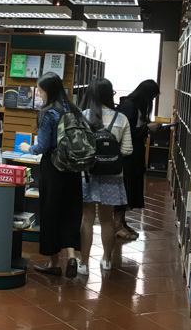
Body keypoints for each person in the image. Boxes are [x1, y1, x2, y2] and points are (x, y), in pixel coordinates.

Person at [20, 72, 84, 278]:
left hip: (53, 168)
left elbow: (42, 146)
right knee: (71, 211)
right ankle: (72, 256)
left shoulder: (47, 113)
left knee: (50, 212)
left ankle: (54, 262)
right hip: (73, 168)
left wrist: (27, 148)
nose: (39, 95)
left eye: (40, 91)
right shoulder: (73, 109)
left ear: (48, 91)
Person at [79, 78, 133, 274]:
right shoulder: (121, 118)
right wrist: (110, 155)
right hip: (113, 176)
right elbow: (127, 150)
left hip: (88, 174)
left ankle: (84, 263)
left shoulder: (83, 116)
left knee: (86, 218)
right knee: (107, 219)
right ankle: (107, 260)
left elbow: (79, 146)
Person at [115, 80, 161, 240]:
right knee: (125, 187)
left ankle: (122, 222)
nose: (152, 101)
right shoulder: (129, 105)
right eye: (152, 98)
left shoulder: (137, 106)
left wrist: (148, 128)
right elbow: (126, 131)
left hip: (135, 153)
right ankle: (117, 224)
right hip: (128, 154)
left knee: (130, 187)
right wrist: (146, 129)